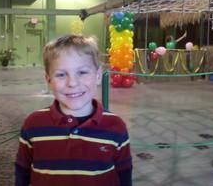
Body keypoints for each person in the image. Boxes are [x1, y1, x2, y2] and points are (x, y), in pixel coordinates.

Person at [14, 34, 133, 186]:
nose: (72, 83)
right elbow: (22, 169)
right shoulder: (33, 124)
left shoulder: (116, 127)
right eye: (61, 74)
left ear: (97, 76)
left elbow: (124, 172)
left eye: (82, 72)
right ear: (49, 80)